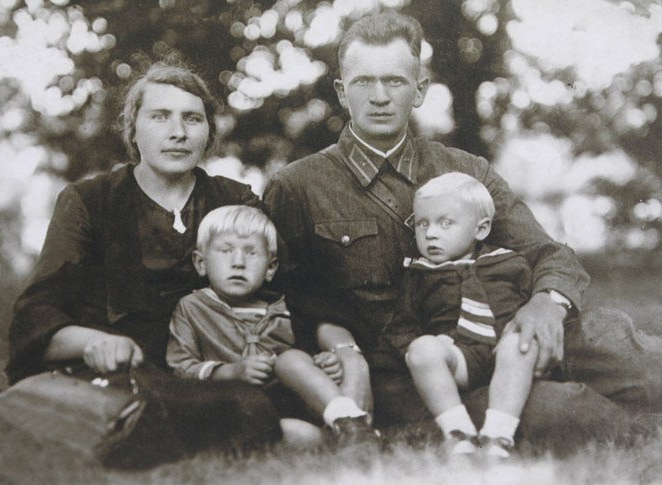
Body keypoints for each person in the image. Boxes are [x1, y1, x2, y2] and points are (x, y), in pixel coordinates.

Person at [263, 10, 661, 446]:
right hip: (416, 370)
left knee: (629, 354)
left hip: (511, 335)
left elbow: (547, 253)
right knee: (562, 411)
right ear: (342, 91)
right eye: (364, 82)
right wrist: (334, 358)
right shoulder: (297, 186)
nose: (379, 96)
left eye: (395, 81)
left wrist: (546, 304)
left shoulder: (465, 168)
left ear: (419, 90)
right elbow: (281, 304)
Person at [6, 60, 282, 464]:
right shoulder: (90, 201)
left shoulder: (234, 201)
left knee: (249, 405)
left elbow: (276, 295)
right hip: (116, 372)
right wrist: (93, 342)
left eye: (192, 119)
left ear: (208, 133)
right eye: (160, 117)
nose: (178, 132)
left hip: (208, 376)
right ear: (133, 129)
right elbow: (37, 312)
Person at [166, 205, 379, 446]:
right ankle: (348, 438)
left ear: (270, 268)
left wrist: (323, 363)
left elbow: (305, 356)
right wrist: (231, 372)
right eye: (225, 250)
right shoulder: (192, 307)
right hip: (240, 407)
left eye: (251, 253)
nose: (238, 262)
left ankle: (350, 422)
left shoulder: (285, 308)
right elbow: (180, 367)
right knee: (294, 433)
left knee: (291, 359)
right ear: (200, 263)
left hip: (294, 402)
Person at [384, 172, 538, 458]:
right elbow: (401, 327)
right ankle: (459, 433)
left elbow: (530, 305)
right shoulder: (418, 276)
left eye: (445, 223)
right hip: (458, 360)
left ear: (480, 230)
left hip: (507, 357)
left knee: (522, 341)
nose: (430, 233)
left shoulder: (509, 263)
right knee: (422, 349)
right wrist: (427, 349)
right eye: (422, 223)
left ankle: (498, 436)